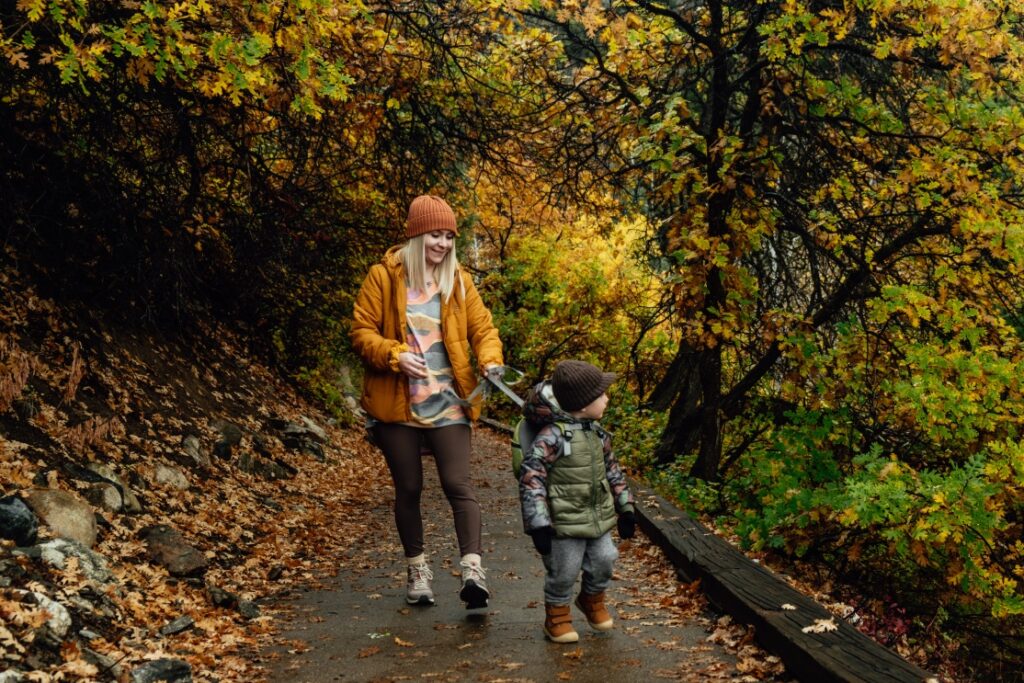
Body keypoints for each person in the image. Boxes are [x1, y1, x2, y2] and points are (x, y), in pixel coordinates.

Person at [351, 194, 503, 609]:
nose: (444, 244)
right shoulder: (383, 277)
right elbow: (361, 332)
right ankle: (417, 569)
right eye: (436, 234)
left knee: (458, 484)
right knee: (409, 487)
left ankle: (473, 571)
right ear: (417, 235)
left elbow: (483, 329)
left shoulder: (459, 280)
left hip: (450, 403)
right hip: (397, 406)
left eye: (450, 236)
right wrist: (393, 354)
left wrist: (490, 362)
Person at [518, 359, 636, 643]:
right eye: (601, 394)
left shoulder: (597, 434)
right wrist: (538, 523)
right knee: (564, 570)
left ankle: (591, 600)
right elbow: (532, 476)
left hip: (598, 518)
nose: (607, 398)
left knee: (605, 559)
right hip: (563, 522)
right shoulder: (552, 436)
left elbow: (613, 471)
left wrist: (626, 507)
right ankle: (556, 616)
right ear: (583, 404)